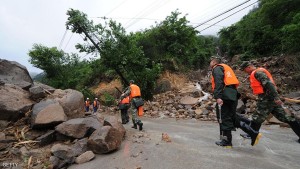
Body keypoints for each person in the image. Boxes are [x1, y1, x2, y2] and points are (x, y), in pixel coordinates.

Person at [240, 61, 300, 143]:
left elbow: (269, 85)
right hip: (270, 98)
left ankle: (252, 134)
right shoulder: (259, 72)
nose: (245, 72)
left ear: (248, 67)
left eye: (244, 70)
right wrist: (275, 97)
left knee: (257, 116)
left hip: (267, 99)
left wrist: (276, 97)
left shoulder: (257, 73)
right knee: (286, 117)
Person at [210, 56, 262, 148]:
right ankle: (253, 133)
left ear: (214, 62)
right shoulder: (226, 68)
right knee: (232, 117)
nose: (210, 64)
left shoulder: (217, 68)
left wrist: (218, 96)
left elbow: (219, 82)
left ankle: (227, 141)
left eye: (210, 62)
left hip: (225, 95)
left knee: (223, 116)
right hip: (232, 94)